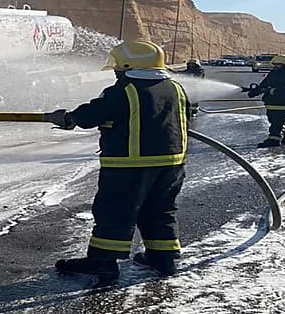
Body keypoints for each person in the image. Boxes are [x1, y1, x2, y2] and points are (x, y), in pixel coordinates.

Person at [45, 40, 192, 281]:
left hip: (130, 167)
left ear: (128, 66)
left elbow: (93, 114)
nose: (115, 71)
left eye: (118, 67)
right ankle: (163, 259)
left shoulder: (124, 91)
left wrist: (69, 117)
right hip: (172, 165)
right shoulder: (175, 88)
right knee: (160, 210)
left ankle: (102, 261)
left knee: (115, 211)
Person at [246, 54, 285, 147]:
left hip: (283, 105)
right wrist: (254, 92)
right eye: (274, 65)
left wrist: (271, 90)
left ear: (284, 65)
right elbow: (263, 85)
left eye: (278, 65)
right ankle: (283, 136)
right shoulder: (272, 74)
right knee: (274, 121)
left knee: (277, 123)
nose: (275, 67)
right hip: (271, 104)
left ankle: (273, 140)